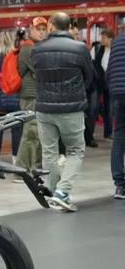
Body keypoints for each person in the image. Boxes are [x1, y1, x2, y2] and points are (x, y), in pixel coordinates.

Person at [32, 12, 94, 212]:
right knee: (75, 150)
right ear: (69, 27)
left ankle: (53, 191)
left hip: (44, 108)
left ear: (50, 26)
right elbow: (89, 77)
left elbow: (37, 76)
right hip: (71, 108)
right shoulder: (80, 48)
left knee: (49, 152)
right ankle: (62, 192)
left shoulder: (37, 49)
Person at [14, 17, 47, 182]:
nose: (41, 32)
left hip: (35, 95)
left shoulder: (36, 47)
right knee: (31, 134)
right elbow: (40, 70)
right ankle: (21, 171)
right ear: (30, 30)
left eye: (43, 29)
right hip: (30, 96)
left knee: (35, 134)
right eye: (38, 29)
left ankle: (33, 169)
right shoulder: (28, 48)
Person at [0, 31, 22, 164]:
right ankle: (16, 159)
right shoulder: (17, 58)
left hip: (0, 97)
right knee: (17, 129)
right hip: (15, 97)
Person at [106, 31, 125, 199]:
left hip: (118, 94)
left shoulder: (117, 42)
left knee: (119, 137)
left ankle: (120, 185)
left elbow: (109, 71)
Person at [90, 29, 114, 139]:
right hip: (97, 83)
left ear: (110, 39)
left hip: (110, 83)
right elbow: (90, 64)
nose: (101, 40)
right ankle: (90, 134)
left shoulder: (115, 50)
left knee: (109, 109)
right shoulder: (96, 49)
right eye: (101, 37)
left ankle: (108, 133)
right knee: (93, 108)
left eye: (104, 38)